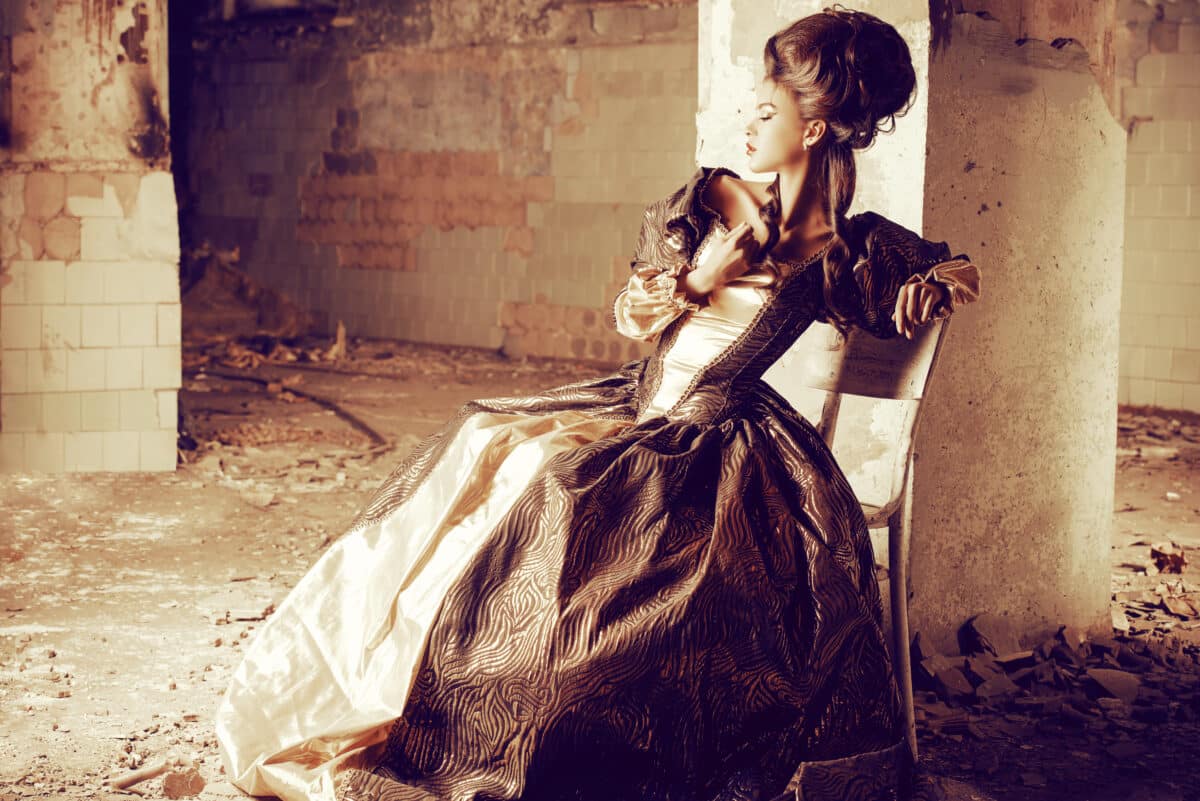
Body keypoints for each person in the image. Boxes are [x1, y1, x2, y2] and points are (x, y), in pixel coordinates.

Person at [215, 6, 982, 801]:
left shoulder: (841, 249)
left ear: (817, 127)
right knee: (489, 441)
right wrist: (698, 279)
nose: (744, 124)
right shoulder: (715, 200)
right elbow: (633, 314)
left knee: (563, 495)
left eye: (764, 111)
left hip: (717, 436)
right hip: (639, 400)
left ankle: (539, 723)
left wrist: (924, 288)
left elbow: (949, 272)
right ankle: (402, 693)